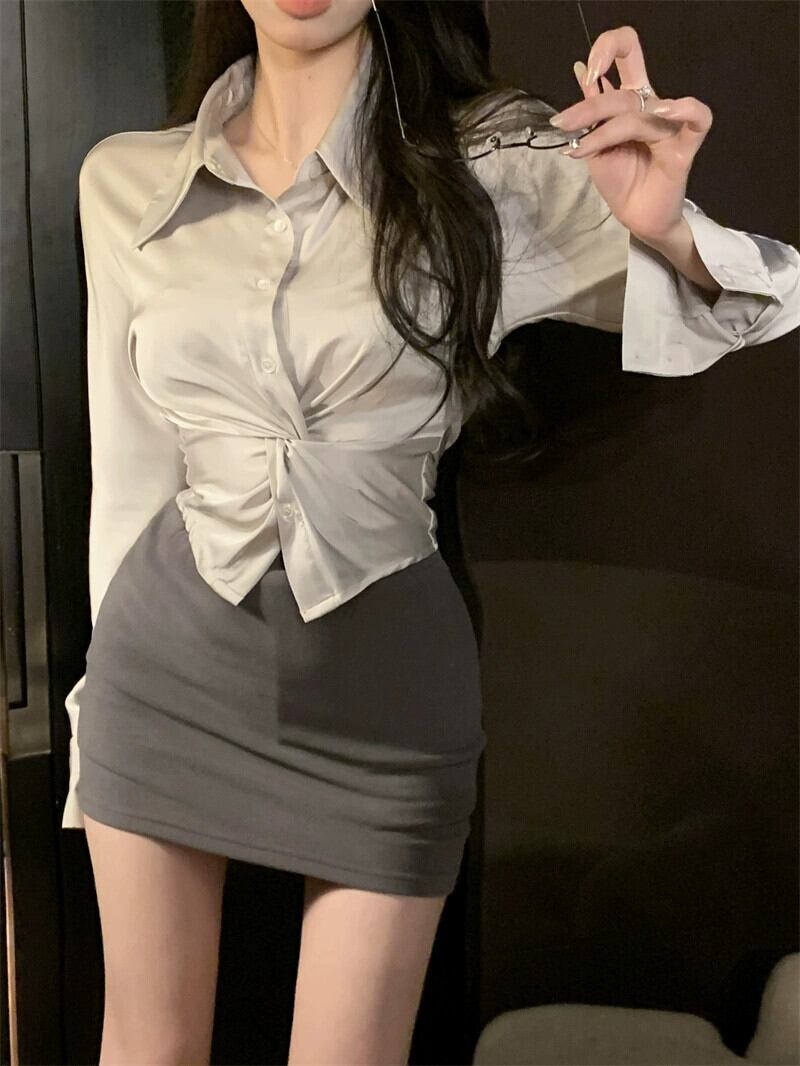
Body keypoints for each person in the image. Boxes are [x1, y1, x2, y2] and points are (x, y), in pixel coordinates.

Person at [62, 1, 799, 1063]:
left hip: (386, 694)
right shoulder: (123, 179)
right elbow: (131, 476)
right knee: (146, 1049)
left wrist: (663, 228)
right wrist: (93, 724)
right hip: (163, 670)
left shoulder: (494, 164)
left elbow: (766, 298)